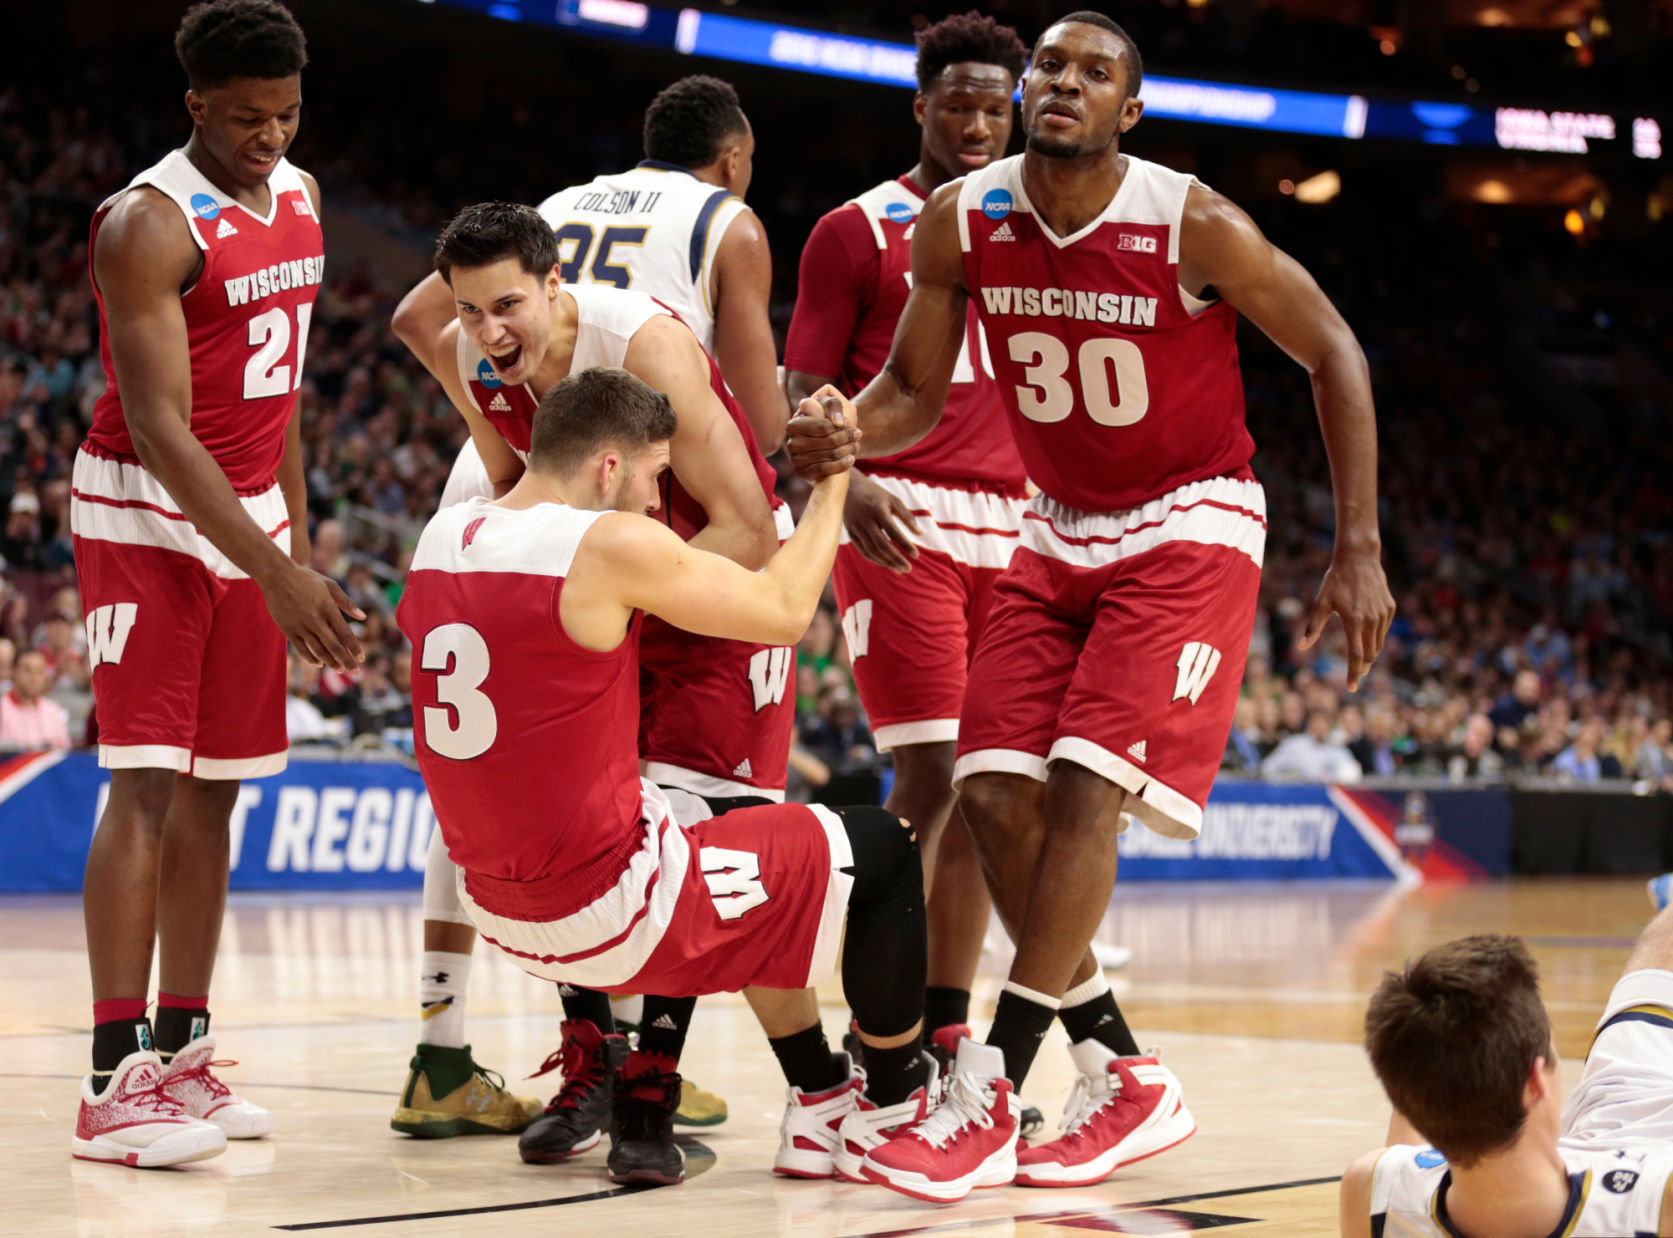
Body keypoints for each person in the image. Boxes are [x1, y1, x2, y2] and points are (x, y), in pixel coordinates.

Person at [789, 11, 1394, 1201]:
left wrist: (1355, 545)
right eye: (1048, 66)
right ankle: (1119, 1067)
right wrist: (846, 431)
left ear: (1129, 109)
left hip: (1186, 520)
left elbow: (1331, 350)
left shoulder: (1192, 219)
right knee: (987, 788)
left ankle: (993, 1092)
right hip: (1053, 525)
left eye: (1093, 72)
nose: (1061, 82)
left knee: (1079, 790)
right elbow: (911, 390)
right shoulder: (960, 221)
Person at [396, 368, 937, 1187]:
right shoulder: (609, 544)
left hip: (500, 913)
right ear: (609, 467)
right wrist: (833, 483)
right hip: (609, 912)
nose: (658, 502)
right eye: (654, 475)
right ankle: (892, 1114)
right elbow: (786, 609)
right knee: (883, 846)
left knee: (712, 819)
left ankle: (813, 1094)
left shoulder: (443, 537)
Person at [393, 203, 817, 1172]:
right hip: (612, 595)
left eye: (508, 304)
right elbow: (509, 487)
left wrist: (606, 613)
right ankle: (590, 1059)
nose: (488, 331)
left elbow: (747, 525)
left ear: (555, 284)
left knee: (694, 824)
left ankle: (648, 1090)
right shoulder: (473, 354)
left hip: (710, 583)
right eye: (467, 310)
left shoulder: (645, 346)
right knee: (569, 819)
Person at [70, 0, 364, 1169]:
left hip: (254, 514)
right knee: (145, 783)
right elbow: (157, 424)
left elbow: (282, 395)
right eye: (247, 119)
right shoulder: (145, 223)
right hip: (144, 507)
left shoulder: (301, 198)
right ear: (195, 104)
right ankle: (111, 1076)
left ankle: (184, 1052)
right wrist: (273, 566)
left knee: (220, 790)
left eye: (287, 114)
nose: (271, 138)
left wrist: (302, 541)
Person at [783, 9, 1030, 1096]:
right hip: (900, 512)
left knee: (990, 782)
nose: (975, 121)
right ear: (918, 105)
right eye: (957, 101)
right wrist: (854, 484)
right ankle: (865, 1023)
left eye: (993, 104)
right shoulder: (853, 229)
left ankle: (942, 1028)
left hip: (1022, 526)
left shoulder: (1034, 230)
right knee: (929, 769)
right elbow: (800, 396)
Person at [1341, 926, 1673, 1236]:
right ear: (1534, 1082)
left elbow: (1405, 1148)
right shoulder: (1659, 1206)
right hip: (1635, 1119)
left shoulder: (1372, 1193)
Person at [1263, 710, 1363, 783]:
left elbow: (1352, 774)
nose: (1319, 727)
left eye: (1323, 723)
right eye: (1316, 723)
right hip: (1298, 799)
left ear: (1329, 726)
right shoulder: (1294, 745)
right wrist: (1287, 780)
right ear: (1310, 725)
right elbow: (1268, 768)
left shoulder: (1338, 749)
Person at [0, 648, 71, 751]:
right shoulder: (2, 708)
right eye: (28, 670)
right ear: (13, 672)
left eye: (39, 672)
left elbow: (64, 754)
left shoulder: (53, 711)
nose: (34, 678)